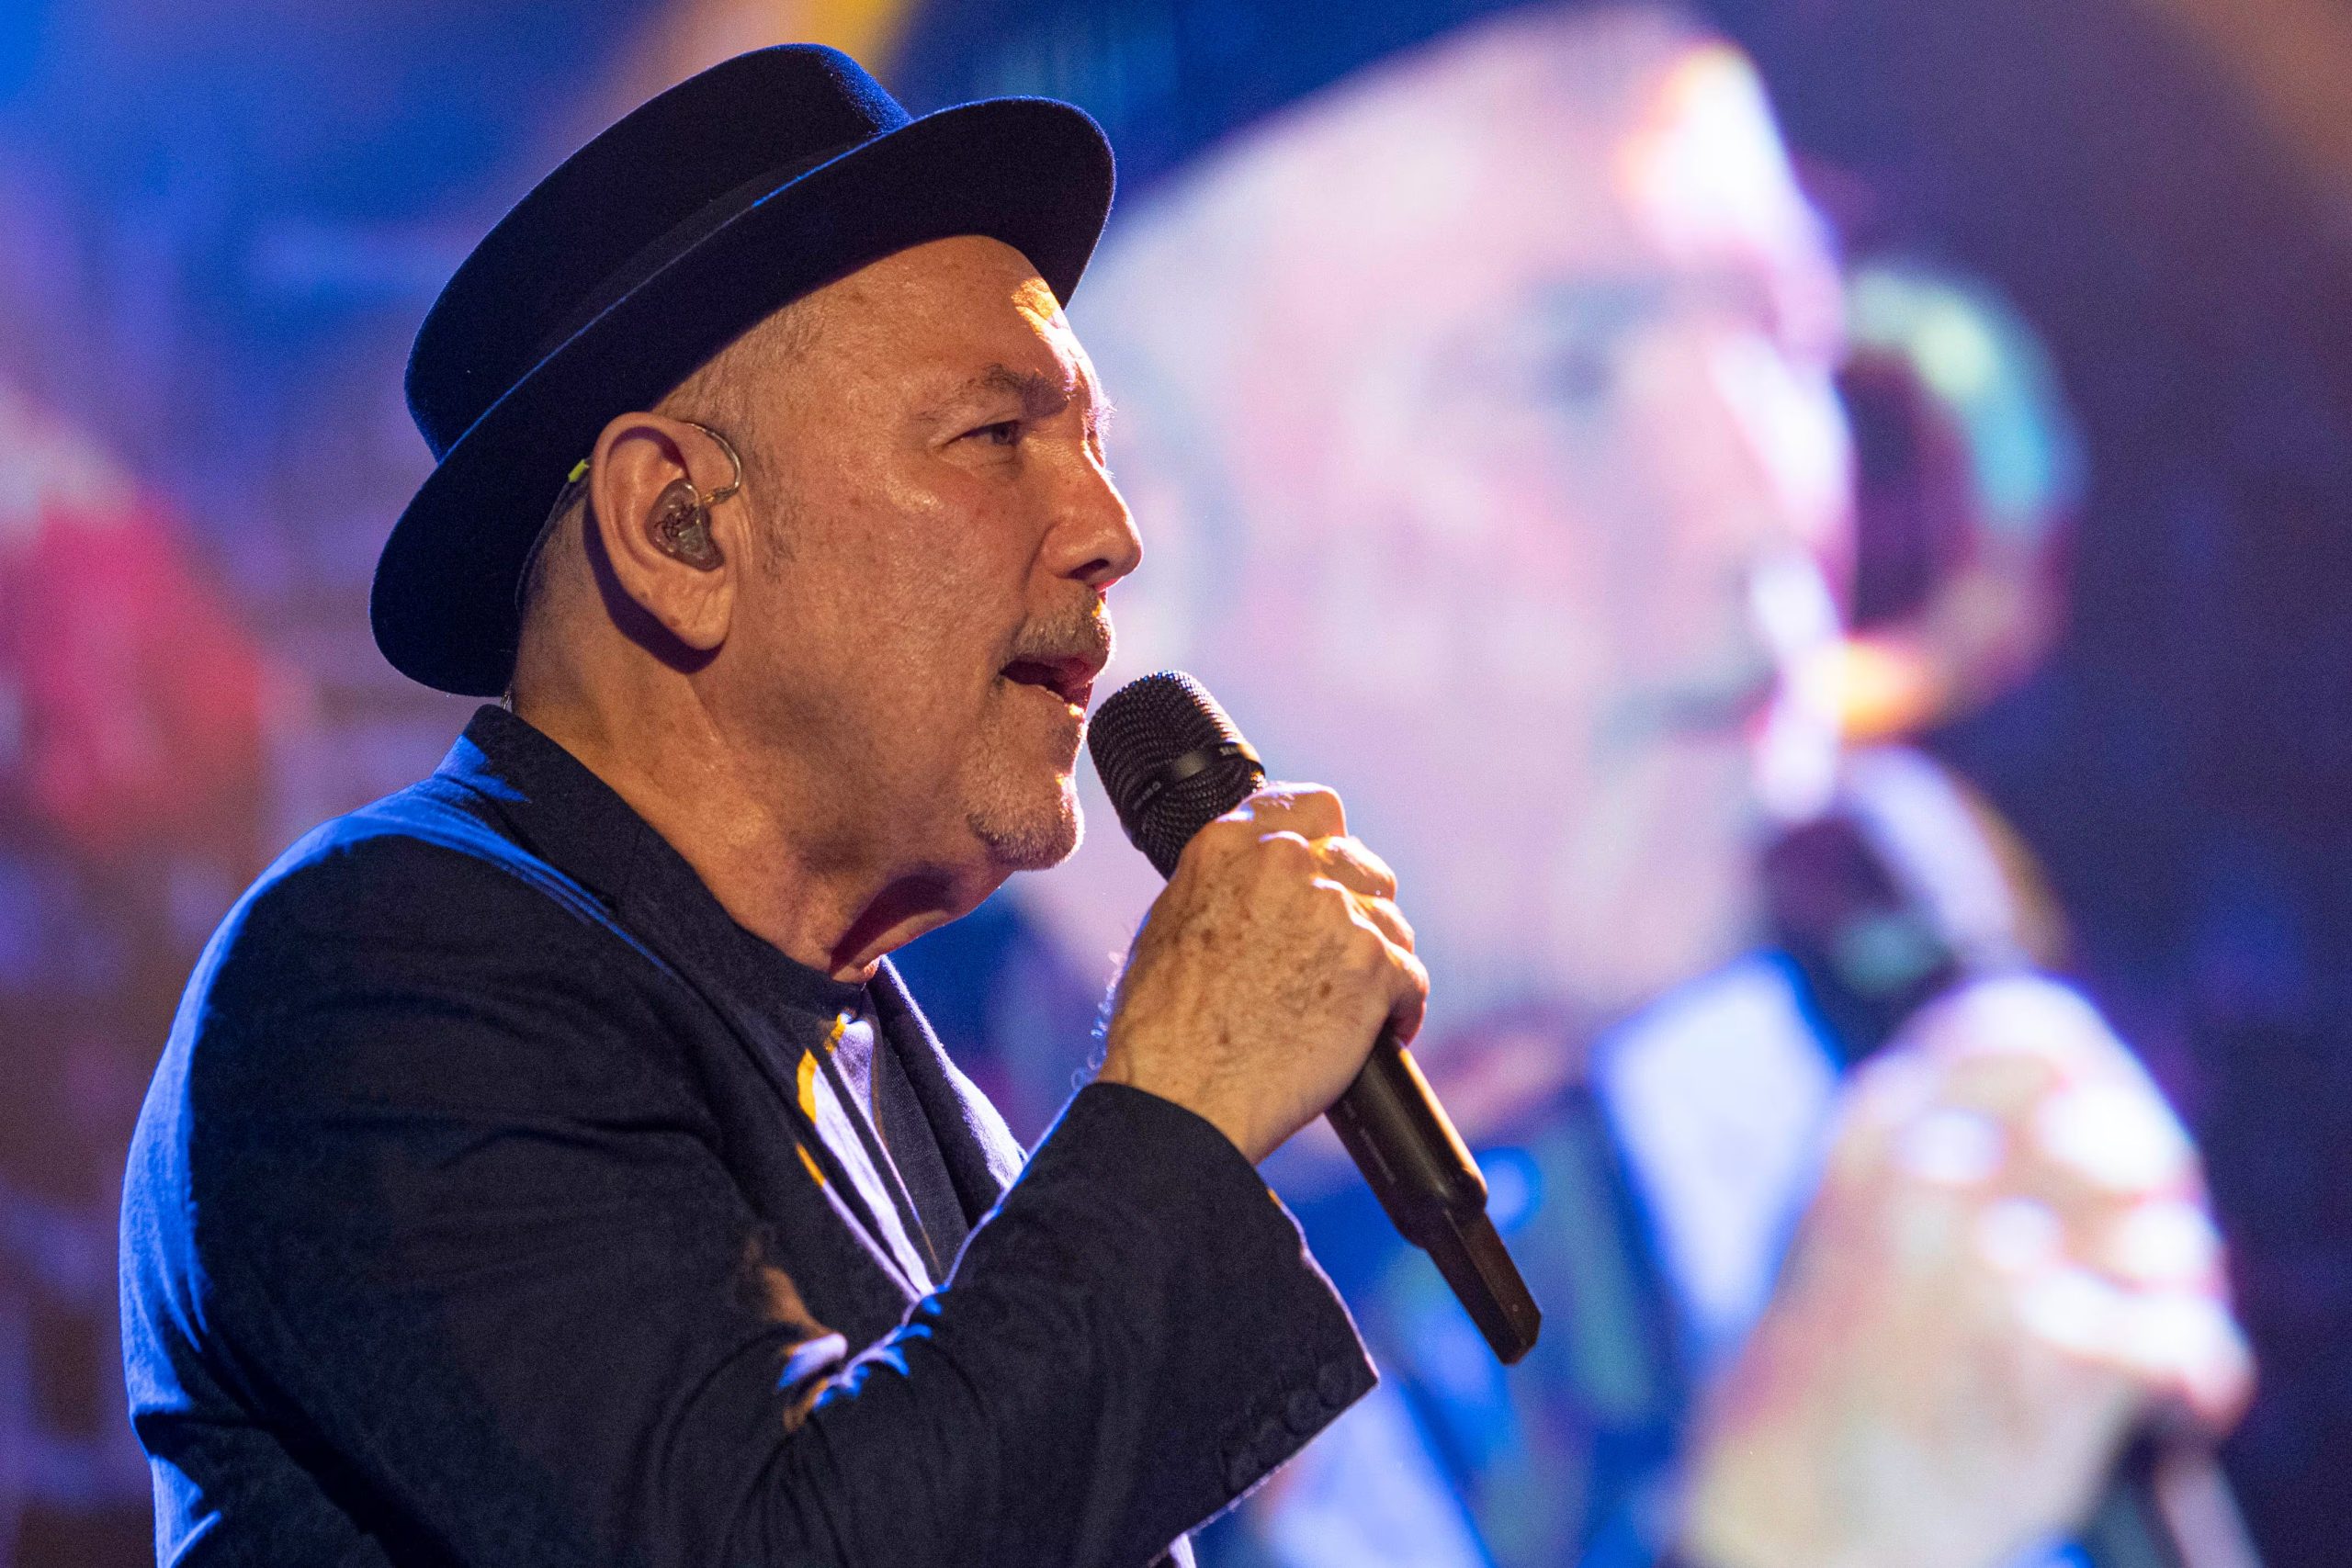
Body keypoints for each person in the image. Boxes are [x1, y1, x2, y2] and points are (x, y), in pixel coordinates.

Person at [118, 45, 1428, 1567]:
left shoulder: (923, 1105)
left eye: (1096, 447)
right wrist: (1185, 1105)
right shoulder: (372, 987)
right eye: (1000, 436)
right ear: (679, 525)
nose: (1111, 533)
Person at [1019, 6, 2253, 1566]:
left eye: (1787, 336)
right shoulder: (853, 1314)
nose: (1769, 514)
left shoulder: (1850, 1056)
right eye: (1566, 376)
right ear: (1127, 553)